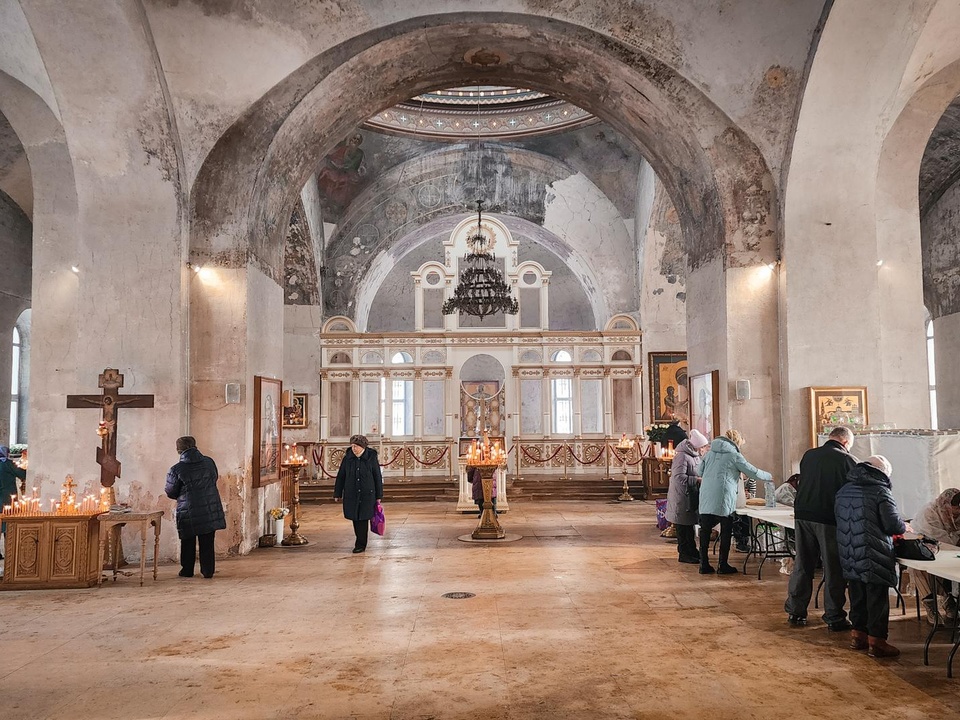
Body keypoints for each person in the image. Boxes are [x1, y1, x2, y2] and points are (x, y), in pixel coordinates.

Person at [784, 426, 857, 630]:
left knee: (803, 564)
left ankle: (795, 611)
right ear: (845, 442)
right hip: (828, 518)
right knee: (833, 568)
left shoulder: (809, 455)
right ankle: (834, 616)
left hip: (803, 515)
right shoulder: (846, 460)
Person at [835, 455, 906, 658]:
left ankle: (858, 636)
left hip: (849, 550)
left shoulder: (844, 490)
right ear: (882, 473)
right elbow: (892, 524)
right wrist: (904, 525)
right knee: (877, 599)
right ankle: (877, 642)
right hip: (874, 551)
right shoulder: (880, 491)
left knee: (857, 595)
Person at [697, 429, 773, 575]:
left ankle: (703, 564)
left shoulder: (709, 454)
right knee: (726, 531)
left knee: (705, 531)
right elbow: (752, 472)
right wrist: (768, 476)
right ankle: (722, 564)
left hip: (706, 495)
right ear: (736, 442)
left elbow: (700, 472)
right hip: (724, 496)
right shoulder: (734, 455)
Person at [164, 436, 226, 579]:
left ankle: (187, 570)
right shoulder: (209, 462)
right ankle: (208, 571)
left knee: (187, 541)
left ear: (179, 450)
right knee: (207, 541)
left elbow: (170, 491)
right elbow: (214, 478)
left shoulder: (176, 469)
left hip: (188, 510)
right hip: (210, 507)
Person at [910, 487, 960, 623]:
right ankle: (930, 604)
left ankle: (949, 599)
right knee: (920, 568)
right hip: (926, 550)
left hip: (951, 552)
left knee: (953, 568)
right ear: (945, 505)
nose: (956, 516)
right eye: (954, 512)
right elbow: (936, 539)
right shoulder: (929, 514)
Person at [665, 429, 709, 564]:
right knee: (683, 527)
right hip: (681, 497)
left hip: (689, 496)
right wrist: (696, 480)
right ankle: (684, 553)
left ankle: (692, 551)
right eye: (703, 447)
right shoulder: (682, 456)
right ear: (697, 446)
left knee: (688, 526)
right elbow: (678, 477)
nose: (704, 449)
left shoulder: (694, 455)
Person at [334, 434, 383, 553]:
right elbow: (341, 476)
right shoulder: (348, 458)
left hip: (367, 494)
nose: (353, 449)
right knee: (355, 518)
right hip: (352, 493)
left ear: (363, 447)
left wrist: (379, 496)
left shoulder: (371, 458)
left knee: (363, 518)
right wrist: (337, 493)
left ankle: (361, 544)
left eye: (356, 446)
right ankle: (359, 541)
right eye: (352, 446)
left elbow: (377, 476)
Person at [0, 445, 26, 557]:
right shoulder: (7, 464)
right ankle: (10, 551)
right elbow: (23, 474)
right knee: (8, 524)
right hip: (8, 498)